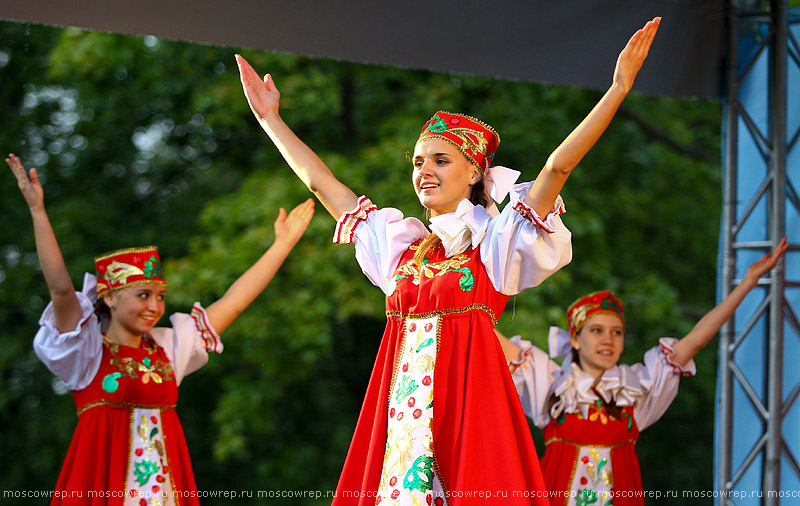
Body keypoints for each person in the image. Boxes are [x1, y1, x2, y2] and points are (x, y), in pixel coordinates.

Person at [237, 16, 660, 505]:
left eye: (440, 160)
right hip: (402, 416)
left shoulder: (496, 244)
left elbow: (557, 167)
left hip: (468, 412)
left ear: (475, 171)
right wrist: (270, 119)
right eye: (418, 161)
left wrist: (617, 89)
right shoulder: (401, 247)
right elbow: (323, 186)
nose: (425, 171)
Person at [6, 152, 314, 505]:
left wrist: (283, 244)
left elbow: (235, 301)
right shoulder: (86, 351)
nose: (154, 306)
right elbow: (60, 288)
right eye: (143, 295)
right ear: (109, 298)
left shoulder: (169, 347)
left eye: (160, 296)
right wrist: (37, 212)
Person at [497, 238, 788, 506]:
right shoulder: (549, 383)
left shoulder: (637, 388)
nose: (608, 340)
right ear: (575, 339)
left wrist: (748, 281)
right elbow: (485, 331)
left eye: (617, 332)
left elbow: (696, 340)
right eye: (596, 331)